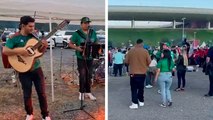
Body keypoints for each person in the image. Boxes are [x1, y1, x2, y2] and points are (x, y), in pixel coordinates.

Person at [2, 16, 51, 120]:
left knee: (42, 93)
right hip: (23, 70)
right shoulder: (14, 37)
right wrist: (21, 51)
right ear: (23, 26)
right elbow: (5, 51)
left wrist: (44, 46)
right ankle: (29, 113)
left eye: (33, 26)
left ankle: (45, 115)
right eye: (30, 26)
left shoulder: (34, 37)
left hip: (37, 69)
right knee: (27, 94)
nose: (32, 28)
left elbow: (40, 53)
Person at [68, 17, 97, 100]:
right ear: (81, 24)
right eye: (85, 23)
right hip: (81, 57)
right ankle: (81, 92)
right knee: (82, 75)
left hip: (90, 57)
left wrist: (97, 49)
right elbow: (70, 44)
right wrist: (77, 48)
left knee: (89, 75)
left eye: (88, 23)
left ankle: (88, 92)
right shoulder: (77, 33)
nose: (87, 24)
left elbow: (96, 42)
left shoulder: (92, 32)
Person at [125, 39, 151, 109]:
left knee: (134, 88)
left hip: (133, 73)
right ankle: (141, 100)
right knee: (141, 87)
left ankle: (134, 103)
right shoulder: (145, 51)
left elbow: (126, 62)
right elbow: (149, 62)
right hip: (142, 73)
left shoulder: (131, 51)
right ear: (142, 43)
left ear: (136, 43)